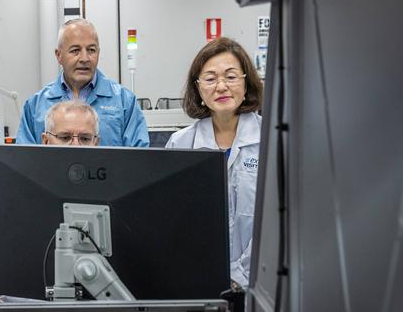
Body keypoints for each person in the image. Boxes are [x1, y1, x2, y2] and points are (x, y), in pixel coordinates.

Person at [0, 100, 100, 303]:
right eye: (64, 137)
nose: (76, 145)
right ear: (45, 140)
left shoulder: (110, 200)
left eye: (85, 138)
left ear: (96, 143)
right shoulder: (8, 196)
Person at [165, 37, 263, 289]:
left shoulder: (271, 139)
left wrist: (240, 275)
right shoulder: (181, 145)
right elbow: (172, 220)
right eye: (210, 79)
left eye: (231, 77)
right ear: (198, 89)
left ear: (246, 83)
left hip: (260, 281)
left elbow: (277, 218)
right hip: (198, 280)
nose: (221, 87)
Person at [16, 18, 149, 147]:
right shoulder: (35, 106)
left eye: (91, 50)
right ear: (58, 55)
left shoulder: (124, 102)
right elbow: (24, 161)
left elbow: (138, 161)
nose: (84, 58)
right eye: (75, 51)